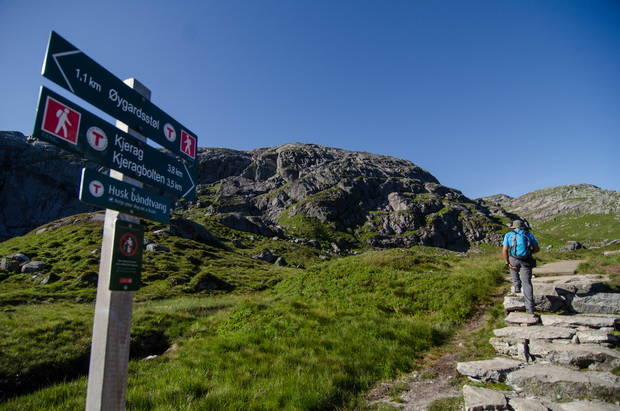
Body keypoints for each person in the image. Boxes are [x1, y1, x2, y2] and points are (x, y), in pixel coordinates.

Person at [502, 220, 540, 315]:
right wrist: (529, 253)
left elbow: (505, 250)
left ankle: (517, 287)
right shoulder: (528, 234)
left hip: (513, 259)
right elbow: (537, 249)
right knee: (527, 283)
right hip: (526, 260)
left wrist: (507, 262)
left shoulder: (509, 235)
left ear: (514, 227)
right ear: (522, 227)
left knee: (513, 268)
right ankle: (530, 309)